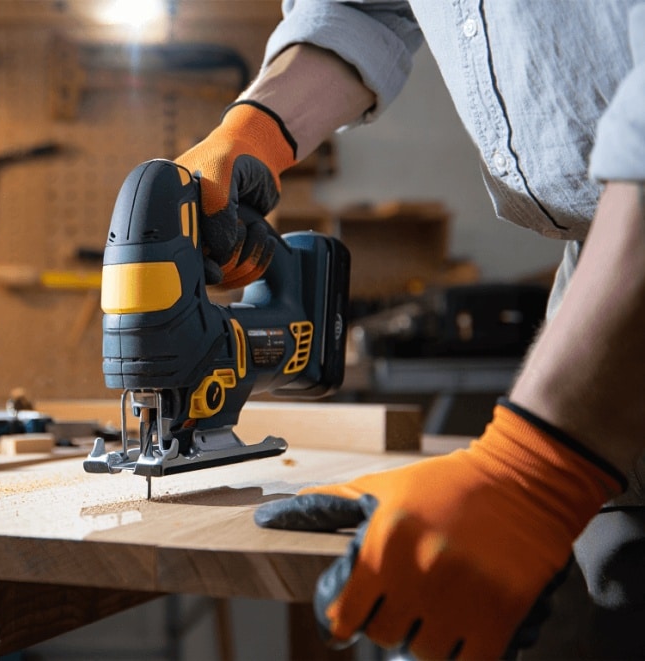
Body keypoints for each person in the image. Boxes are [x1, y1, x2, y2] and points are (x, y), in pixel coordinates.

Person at [171, 1, 645, 658]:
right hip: (605, 246)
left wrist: (532, 471)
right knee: (613, 591)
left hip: (637, 232)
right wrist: (257, 127)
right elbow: (362, 7)